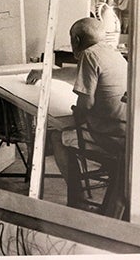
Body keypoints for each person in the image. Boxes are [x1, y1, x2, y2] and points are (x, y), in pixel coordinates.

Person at [29, 17, 128, 210]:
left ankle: (76, 197)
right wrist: (45, 73)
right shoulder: (112, 53)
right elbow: (78, 75)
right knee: (69, 128)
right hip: (125, 133)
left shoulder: (89, 55)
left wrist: (76, 111)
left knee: (57, 137)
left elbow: (86, 106)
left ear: (75, 40)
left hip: (108, 136)